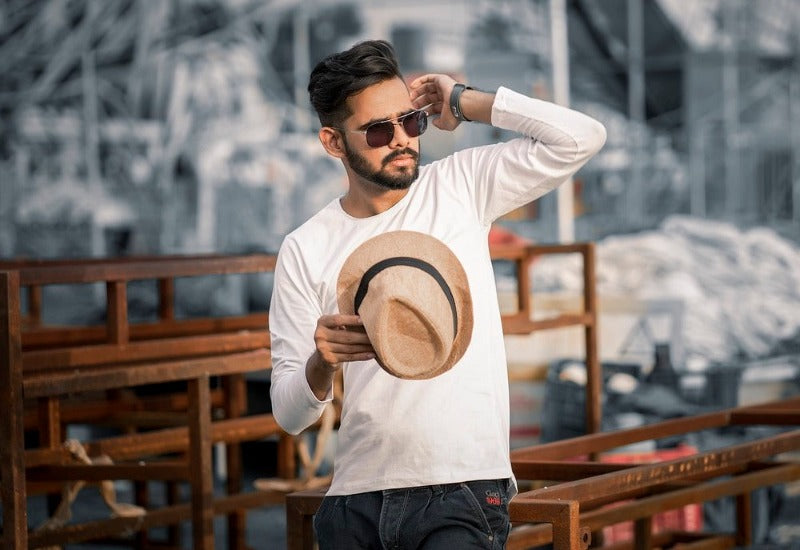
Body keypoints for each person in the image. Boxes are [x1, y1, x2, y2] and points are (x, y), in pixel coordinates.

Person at [269, 39, 606, 549]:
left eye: (411, 122)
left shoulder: (461, 186)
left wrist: (464, 101)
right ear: (334, 142)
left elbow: (582, 137)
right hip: (354, 501)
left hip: (462, 491)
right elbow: (290, 415)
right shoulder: (305, 247)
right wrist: (322, 363)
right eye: (380, 130)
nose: (402, 139)